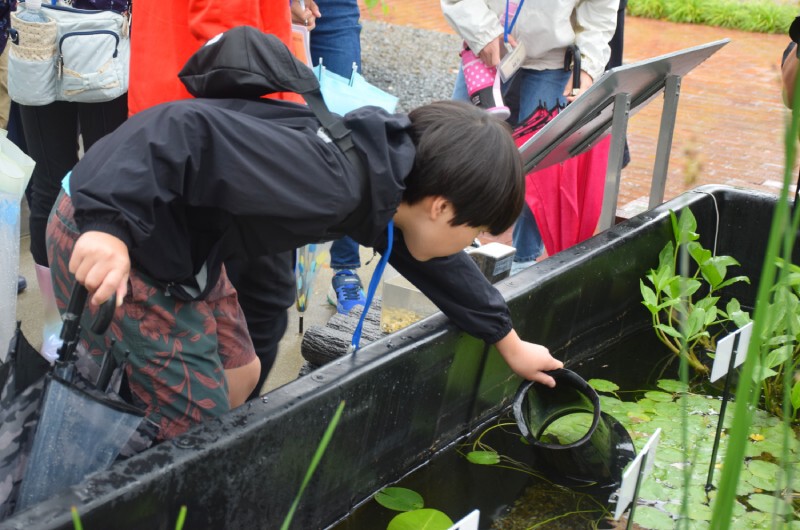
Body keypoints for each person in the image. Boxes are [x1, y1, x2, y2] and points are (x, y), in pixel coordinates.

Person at [45, 28, 562, 440]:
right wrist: (109, 227)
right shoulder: (328, 182)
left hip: (181, 243)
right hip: (114, 232)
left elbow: (431, 260)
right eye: (472, 232)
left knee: (241, 375)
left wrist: (507, 340)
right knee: (190, 430)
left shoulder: (387, 172)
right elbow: (174, 130)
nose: (467, 245)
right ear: (441, 206)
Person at [126, 0, 315, 400]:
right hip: (220, 137)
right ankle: (213, 438)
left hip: (177, 118)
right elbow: (233, 47)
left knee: (197, 296)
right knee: (259, 301)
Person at [441, 0, 619, 272]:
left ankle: (523, 266)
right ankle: (446, 247)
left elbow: (600, 9)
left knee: (539, 168)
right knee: (456, 151)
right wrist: (483, 31)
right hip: (489, 45)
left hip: (552, 57)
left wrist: (587, 68)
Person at [301, 0, 370, 314]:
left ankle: (345, 267)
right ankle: (263, 263)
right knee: (269, 122)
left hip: (333, 7)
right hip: (262, 7)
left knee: (344, 131)